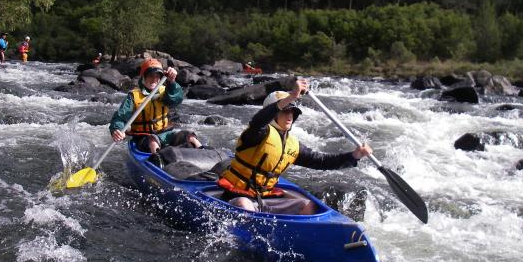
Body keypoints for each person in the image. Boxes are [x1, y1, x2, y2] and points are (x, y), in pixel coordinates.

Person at [217, 79, 373, 215]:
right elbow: (259, 120)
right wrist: (292, 96)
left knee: (308, 206)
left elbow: (322, 161)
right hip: (236, 194)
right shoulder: (256, 133)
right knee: (245, 205)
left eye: (292, 112)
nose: (290, 116)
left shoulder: (293, 145)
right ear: (274, 113)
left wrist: (354, 156)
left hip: (266, 198)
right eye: (285, 111)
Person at [109, 58, 202, 154]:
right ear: (143, 77)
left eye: (157, 76)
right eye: (150, 76)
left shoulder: (167, 91)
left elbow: (176, 99)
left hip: (165, 134)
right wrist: (117, 129)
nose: (154, 79)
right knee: (153, 141)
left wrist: (172, 82)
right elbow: (120, 117)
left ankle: (203, 152)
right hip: (143, 137)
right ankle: (158, 159)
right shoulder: (133, 96)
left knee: (189, 136)